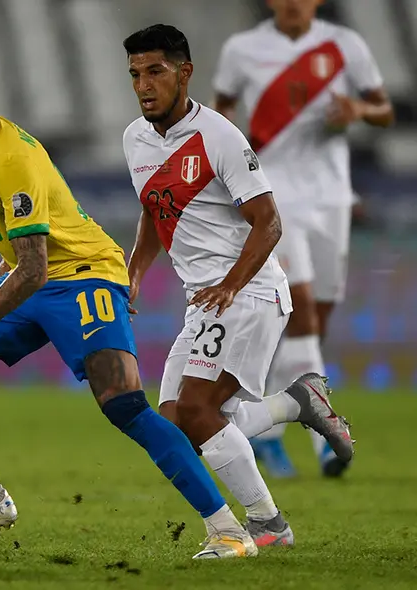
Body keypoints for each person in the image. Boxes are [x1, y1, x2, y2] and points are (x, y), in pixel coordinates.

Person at [0, 40, 253, 560]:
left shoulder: (14, 157)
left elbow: (37, 265)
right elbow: (15, 246)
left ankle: (228, 531)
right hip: (29, 278)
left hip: (86, 276)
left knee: (125, 406)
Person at [122, 24, 354, 553]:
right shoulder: (135, 138)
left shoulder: (220, 138)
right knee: (176, 428)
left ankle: (266, 525)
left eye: (155, 71)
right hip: (203, 299)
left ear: (184, 73)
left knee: (201, 412)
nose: (143, 85)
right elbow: (153, 207)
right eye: (135, 74)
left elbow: (268, 222)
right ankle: (296, 403)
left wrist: (230, 284)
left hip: (247, 293)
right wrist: (135, 271)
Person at [212, 0, 393, 478]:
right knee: (304, 312)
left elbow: (385, 110)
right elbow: (222, 116)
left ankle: (267, 429)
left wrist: (358, 109)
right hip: (277, 196)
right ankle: (325, 442)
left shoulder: (344, 45)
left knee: (314, 319)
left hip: (332, 197)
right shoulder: (242, 50)